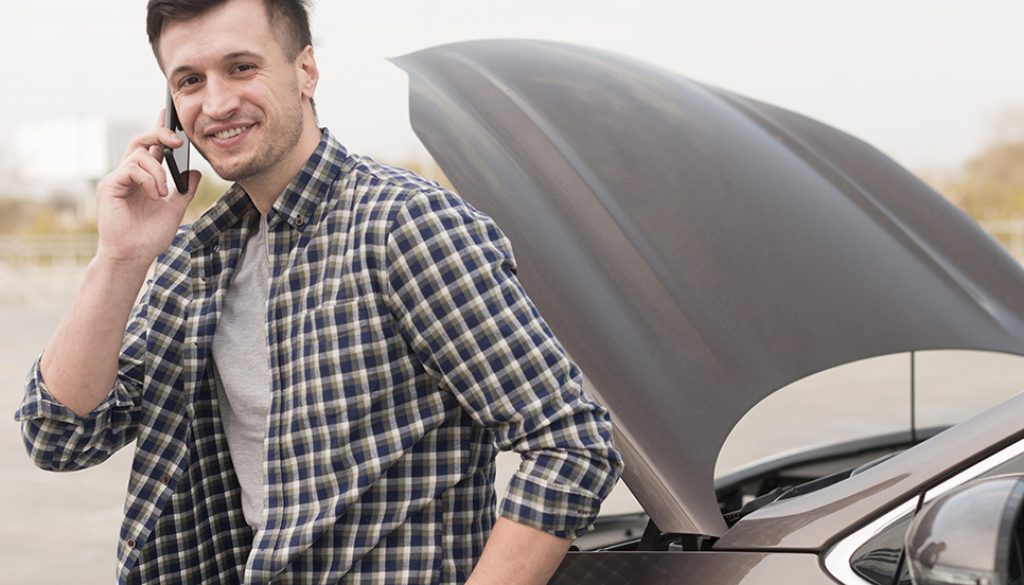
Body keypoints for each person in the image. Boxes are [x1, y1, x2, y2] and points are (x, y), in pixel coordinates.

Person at [15, 0, 623, 583]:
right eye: (189, 81)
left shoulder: (404, 226)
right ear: (170, 108)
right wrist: (119, 258)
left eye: (241, 67)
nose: (217, 103)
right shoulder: (192, 260)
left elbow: (572, 446)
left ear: (305, 70)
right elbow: (60, 436)